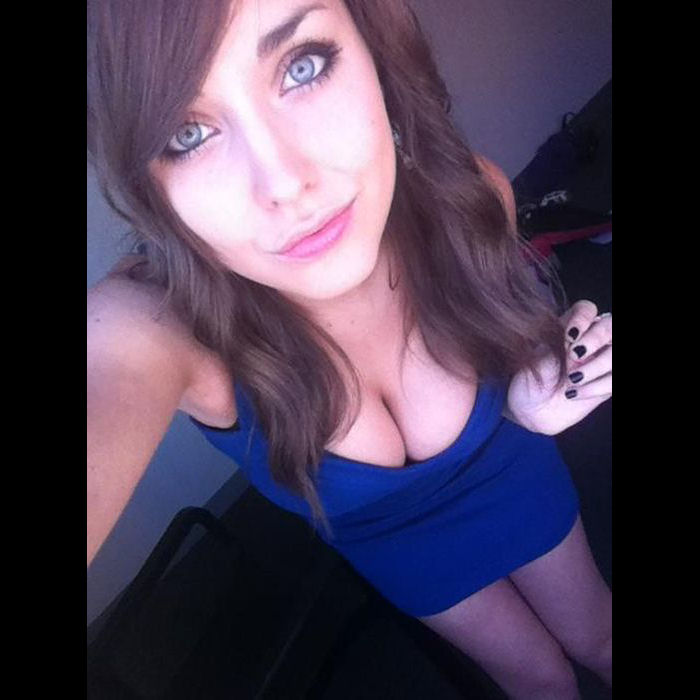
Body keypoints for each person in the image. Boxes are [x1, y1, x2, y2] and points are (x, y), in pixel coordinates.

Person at [87, 0, 612, 697]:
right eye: (187, 134)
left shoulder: (472, 197)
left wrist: (531, 391)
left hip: (517, 473)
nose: (284, 184)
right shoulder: (161, 328)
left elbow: (514, 327)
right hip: (403, 553)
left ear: (373, 48)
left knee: (599, 638)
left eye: (303, 66)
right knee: (540, 681)